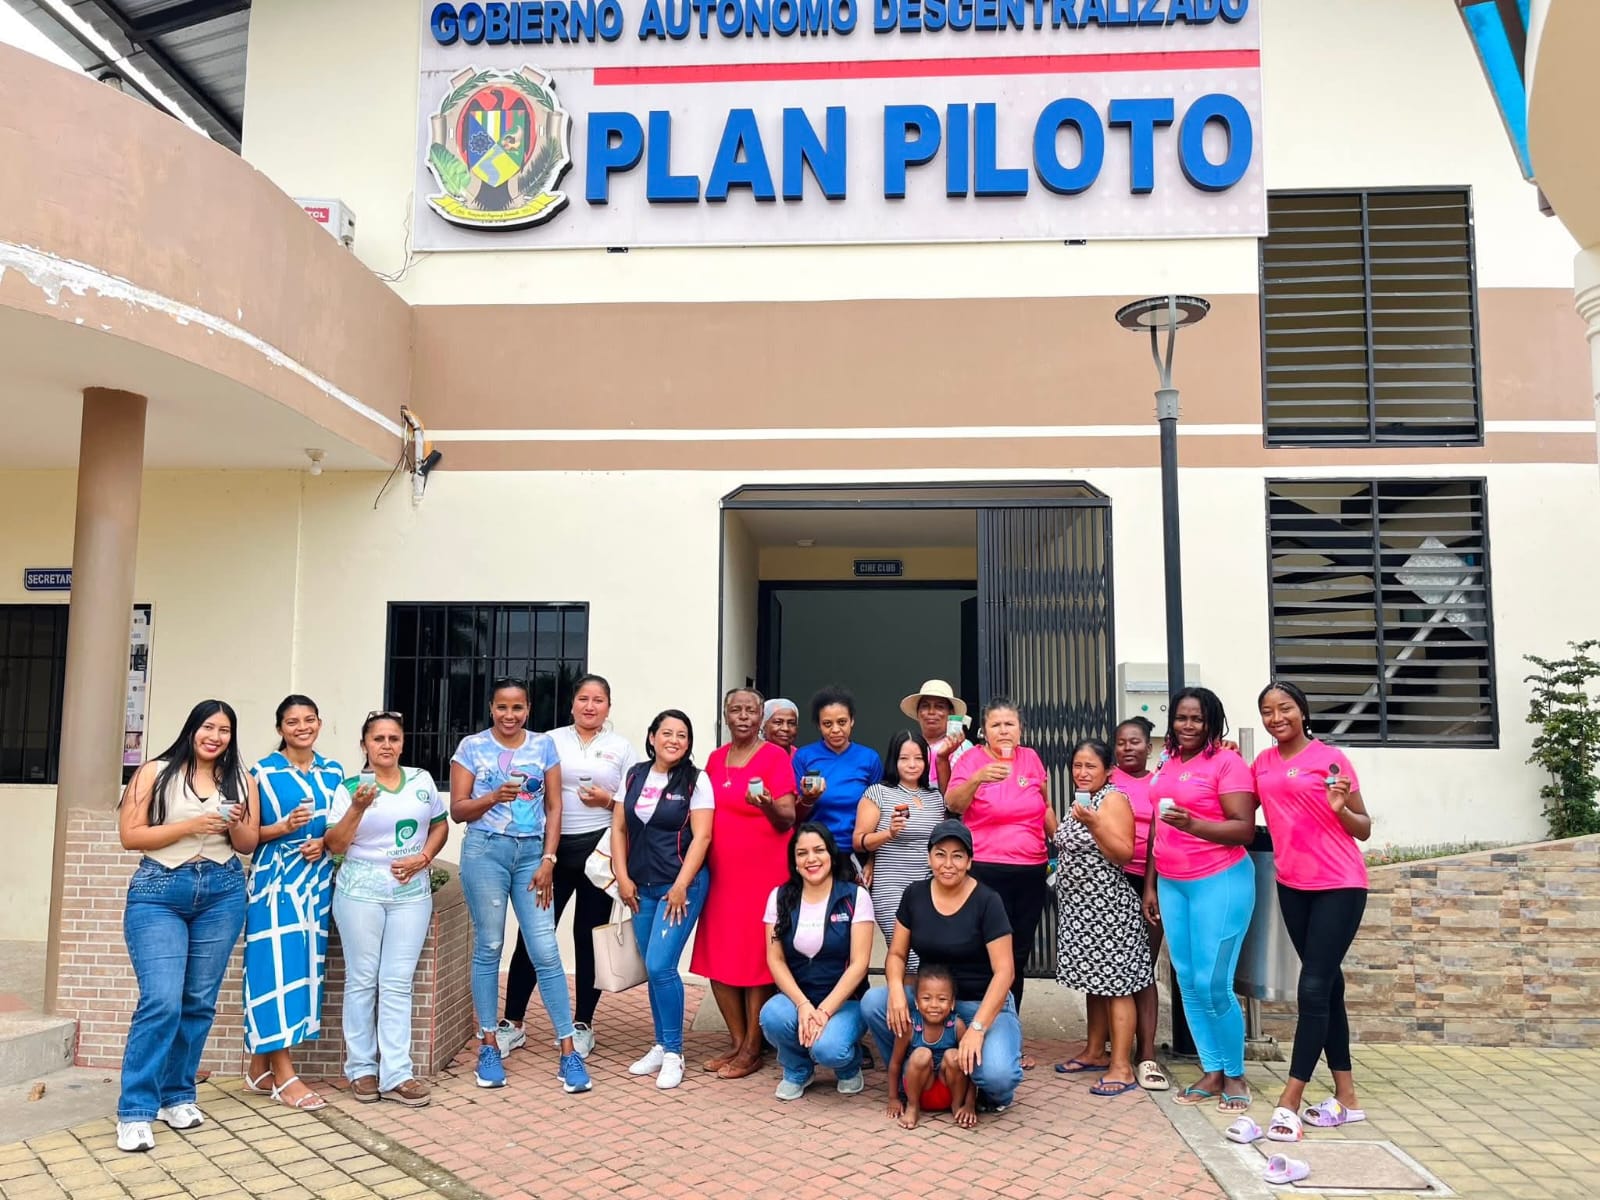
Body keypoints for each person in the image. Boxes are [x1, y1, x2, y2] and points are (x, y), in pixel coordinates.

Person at [115, 700, 258, 1153]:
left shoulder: (242, 779)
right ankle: (135, 1110)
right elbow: (130, 835)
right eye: (208, 727)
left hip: (222, 891)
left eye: (224, 730)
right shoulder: (154, 773)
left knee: (197, 1001)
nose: (215, 737)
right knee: (161, 1001)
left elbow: (248, 844)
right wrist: (193, 824)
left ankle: (176, 1095)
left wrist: (236, 822)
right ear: (192, 729)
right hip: (159, 891)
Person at [449, 677, 591, 1094]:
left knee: (545, 949)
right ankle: (489, 1044)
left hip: (533, 856)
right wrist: (493, 797)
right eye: (502, 707)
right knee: (490, 946)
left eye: (517, 707)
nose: (509, 715)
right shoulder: (471, 747)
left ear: (528, 709)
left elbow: (555, 805)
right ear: (491, 708)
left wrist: (549, 859)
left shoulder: (543, 745)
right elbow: (458, 810)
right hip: (485, 852)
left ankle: (568, 1051)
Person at [1253, 681, 1371, 1140]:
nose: (1276, 718)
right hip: (1292, 885)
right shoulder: (1262, 763)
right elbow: (1239, 801)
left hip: (1339, 884)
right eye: (1267, 711)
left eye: (1284, 708)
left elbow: (1363, 827)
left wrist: (1340, 809)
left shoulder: (1330, 759)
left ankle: (1290, 1099)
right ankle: (1348, 1098)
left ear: (1302, 711)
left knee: (1314, 986)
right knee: (1330, 988)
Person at [497, 674, 637, 1061]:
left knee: (588, 938)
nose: (590, 706)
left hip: (598, 853)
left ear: (608, 706)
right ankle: (513, 1022)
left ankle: (583, 1024)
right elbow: (531, 789)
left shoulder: (621, 748)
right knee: (534, 935)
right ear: (572, 703)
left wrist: (607, 801)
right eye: (583, 699)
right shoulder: (549, 741)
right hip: (551, 851)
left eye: (598, 700)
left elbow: (632, 803)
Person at [1142, 686, 1259, 1115]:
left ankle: (1235, 1074)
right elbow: (1157, 826)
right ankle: (1212, 1070)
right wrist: (1151, 884)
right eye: (1181, 717)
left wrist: (1193, 824)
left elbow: (1243, 828)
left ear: (1212, 721)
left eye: (1197, 718)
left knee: (1214, 983)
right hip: (1173, 884)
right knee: (1187, 979)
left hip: (1219, 881)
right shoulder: (1167, 763)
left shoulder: (1227, 763)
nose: (1188, 725)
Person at [325, 711, 448, 1107]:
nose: (386, 745)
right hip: (360, 893)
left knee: (397, 982)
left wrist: (424, 857)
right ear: (364, 744)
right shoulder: (350, 788)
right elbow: (335, 845)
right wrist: (358, 808)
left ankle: (397, 1074)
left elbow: (440, 825)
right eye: (378, 738)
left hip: (411, 895)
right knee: (362, 979)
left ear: (402, 742)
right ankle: (361, 1069)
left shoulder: (421, 780)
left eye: (393, 738)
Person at [863, 820, 1024, 1115]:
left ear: (970, 861)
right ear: (929, 857)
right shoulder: (915, 895)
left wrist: (977, 1028)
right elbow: (897, 953)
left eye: (957, 856)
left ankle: (984, 1090)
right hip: (931, 1001)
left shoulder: (988, 901)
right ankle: (912, 1078)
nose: (948, 864)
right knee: (875, 1002)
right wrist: (896, 990)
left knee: (998, 1076)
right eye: (940, 854)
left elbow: (1005, 972)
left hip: (981, 1004)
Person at [690, 687, 798, 1079]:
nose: (743, 717)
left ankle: (754, 1047)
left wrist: (767, 804)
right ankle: (736, 1042)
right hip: (722, 874)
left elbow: (788, 817)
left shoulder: (774, 757)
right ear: (726, 715)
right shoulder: (715, 759)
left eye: (751, 711)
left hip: (764, 874)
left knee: (756, 958)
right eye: (736, 710)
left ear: (761, 717)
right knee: (719, 955)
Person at [242, 695, 342, 1111]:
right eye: (292, 721)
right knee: (273, 971)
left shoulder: (334, 772)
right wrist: (282, 827)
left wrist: (325, 843)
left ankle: (258, 1070)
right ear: (280, 728)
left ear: (319, 722)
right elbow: (245, 837)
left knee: (302, 973)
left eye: (309, 719)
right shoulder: (260, 773)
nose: (302, 727)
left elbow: (340, 828)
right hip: (274, 883)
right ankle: (285, 1076)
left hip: (316, 884)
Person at [945, 697, 1054, 1069]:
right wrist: (978, 778)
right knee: (980, 952)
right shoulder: (971, 759)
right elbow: (953, 804)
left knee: (1017, 956)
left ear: (1020, 729)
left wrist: (1059, 840)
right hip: (985, 871)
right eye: (996, 724)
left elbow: (1044, 805)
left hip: (1030, 870)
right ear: (984, 730)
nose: (1004, 731)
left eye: (1010, 724)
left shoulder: (1032, 759)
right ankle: (969, 1030)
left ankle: (1010, 1038)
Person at [613, 710, 714, 1090]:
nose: (674, 740)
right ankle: (659, 1044)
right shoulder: (634, 775)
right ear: (652, 736)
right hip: (641, 887)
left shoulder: (696, 781)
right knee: (653, 968)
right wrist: (623, 878)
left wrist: (682, 884)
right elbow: (618, 828)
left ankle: (674, 1053)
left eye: (682, 735)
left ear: (689, 743)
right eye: (667, 733)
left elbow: (703, 837)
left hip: (680, 889)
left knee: (660, 965)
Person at [1050, 739, 1153, 1097]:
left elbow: (1123, 853)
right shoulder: (1081, 800)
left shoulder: (1113, 799)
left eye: (1090, 766)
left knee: (1117, 987)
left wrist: (1094, 824)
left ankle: (1121, 1066)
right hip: (1081, 910)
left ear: (1108, 770)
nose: (1082, 772)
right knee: (1095, 984)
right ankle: (1095, 1051)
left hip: (1108, 909)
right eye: (1077, 765)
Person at [758, 822, 874, 1100]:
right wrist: (803, 1006)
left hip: (846, 1002)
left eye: (819, 850)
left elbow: (859, 964)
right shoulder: (780, 897)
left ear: (831, 854)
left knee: (829, 1048)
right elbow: (775, 959)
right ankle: (798, 1068)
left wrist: (823, 1012)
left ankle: (848, 1066)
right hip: (800, 1000)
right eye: (802, 853)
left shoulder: (855, 896)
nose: (811, 859)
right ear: (794, 861)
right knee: (772, 1015)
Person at [1111, 715, 1168, 1091]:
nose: (1127, 748)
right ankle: (1110, 1045)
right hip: (1109, 880)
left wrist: (1151, 886)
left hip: (1150, 881)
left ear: (1149, 747)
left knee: (1142, 968)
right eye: (1121, 742)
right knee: (1109, 966)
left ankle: (1146, 1053)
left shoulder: (1159, 782)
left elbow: (1161, 835)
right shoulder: (1106, 779)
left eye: (1135, 742)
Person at [852, 731, 941, 966]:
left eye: (918, 758)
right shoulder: (878, 793)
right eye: (904, 758)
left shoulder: (936, 797)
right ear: (894, 760)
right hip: (891, 885)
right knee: (908, 954)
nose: (912, 764)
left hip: (931, 886)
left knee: (929, 954)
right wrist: (888, 833)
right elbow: (859, 840)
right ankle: (900, 992)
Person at [792, 687, 884, 853]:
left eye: (842, 722)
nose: (835, 730)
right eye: (827, 724)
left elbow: (880, 813)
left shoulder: (869, 758)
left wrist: (872, 860)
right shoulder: (803, 757)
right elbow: (793, 816)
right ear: (818, 725)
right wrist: (807, 799)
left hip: (857, 851)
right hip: (816, 851)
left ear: (852, 721)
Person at [884, 963, 973, 1130]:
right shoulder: (910, 1026)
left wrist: (969, 1105)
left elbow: (971, 1068)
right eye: (926, 998)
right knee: (921, 1054)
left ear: (952, 1003)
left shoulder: (957, 1026)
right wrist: (893, 1098)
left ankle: (957, 1106)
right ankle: (913, 1107)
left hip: (948, 1091)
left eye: (942, 999)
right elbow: (895, 1063)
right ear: (916, 1002)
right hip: (919, 1091)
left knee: (954, 1055)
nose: (934, 1005)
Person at [898, 679, 971, 792]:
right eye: (925, 706)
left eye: (939, 707)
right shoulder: (908, 746)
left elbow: (958, 795)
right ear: (918, 712)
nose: (931, 712)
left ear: (950, 713)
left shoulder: (962, 747)